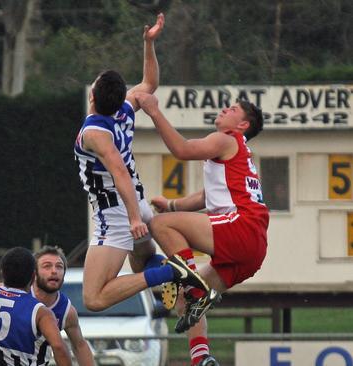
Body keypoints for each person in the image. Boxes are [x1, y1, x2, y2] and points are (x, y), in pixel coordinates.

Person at [73, 13, 207, 313]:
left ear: (92, 96)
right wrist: (148, 44)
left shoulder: (95, 132)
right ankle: (172, 273)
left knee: (94, 299)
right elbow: (150, 82)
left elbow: (118, 171)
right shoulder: (124, 109)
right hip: (137, 202)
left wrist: (134, 219)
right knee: (141, 262)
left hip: (117, 211)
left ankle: (172, 272)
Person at [135, 92, 267, 366]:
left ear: (242, 125)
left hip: (241, 227)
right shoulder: (239, 153)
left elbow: (182, 150)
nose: (224, 109)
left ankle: (188, 276)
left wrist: (154, 112)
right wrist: (172, 204)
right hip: (252, 247)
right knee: (187, 299)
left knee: (159, 226)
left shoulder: (225, 138)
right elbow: (208, 196)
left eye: (231, 109)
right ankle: (201, 358)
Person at [31, 246, 93, 366]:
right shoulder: (19, 294)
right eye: (47, 266)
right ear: (34, 273)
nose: (54, 271)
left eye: (59, 267)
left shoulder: (67, 311)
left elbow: (80, 346)